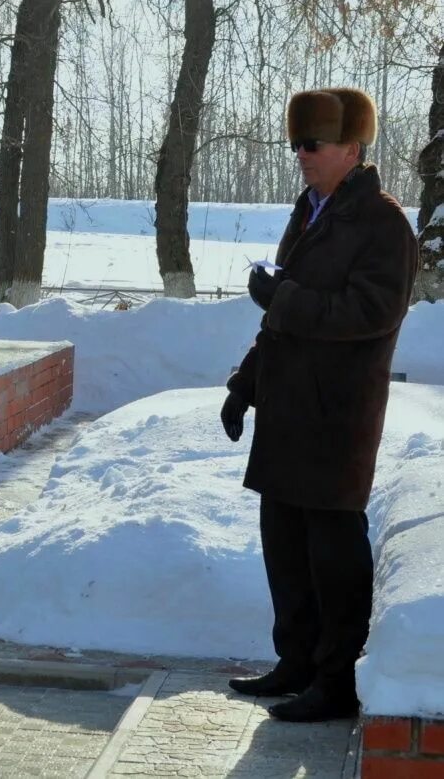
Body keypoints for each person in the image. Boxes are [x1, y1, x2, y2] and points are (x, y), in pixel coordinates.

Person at [223, 88, 416, 722]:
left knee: (333, 553)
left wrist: (282, 298)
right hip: (287, 411)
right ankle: (297, 662)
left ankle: (336, 681)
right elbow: (282, 319)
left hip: (337, 415)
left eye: (314, 145)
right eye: (297, 144)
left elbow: (370, 313)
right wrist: (244, 384)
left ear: (352, 149)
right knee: (285, 544)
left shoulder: (383, 223)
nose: (301, 155)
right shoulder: (309, 211)